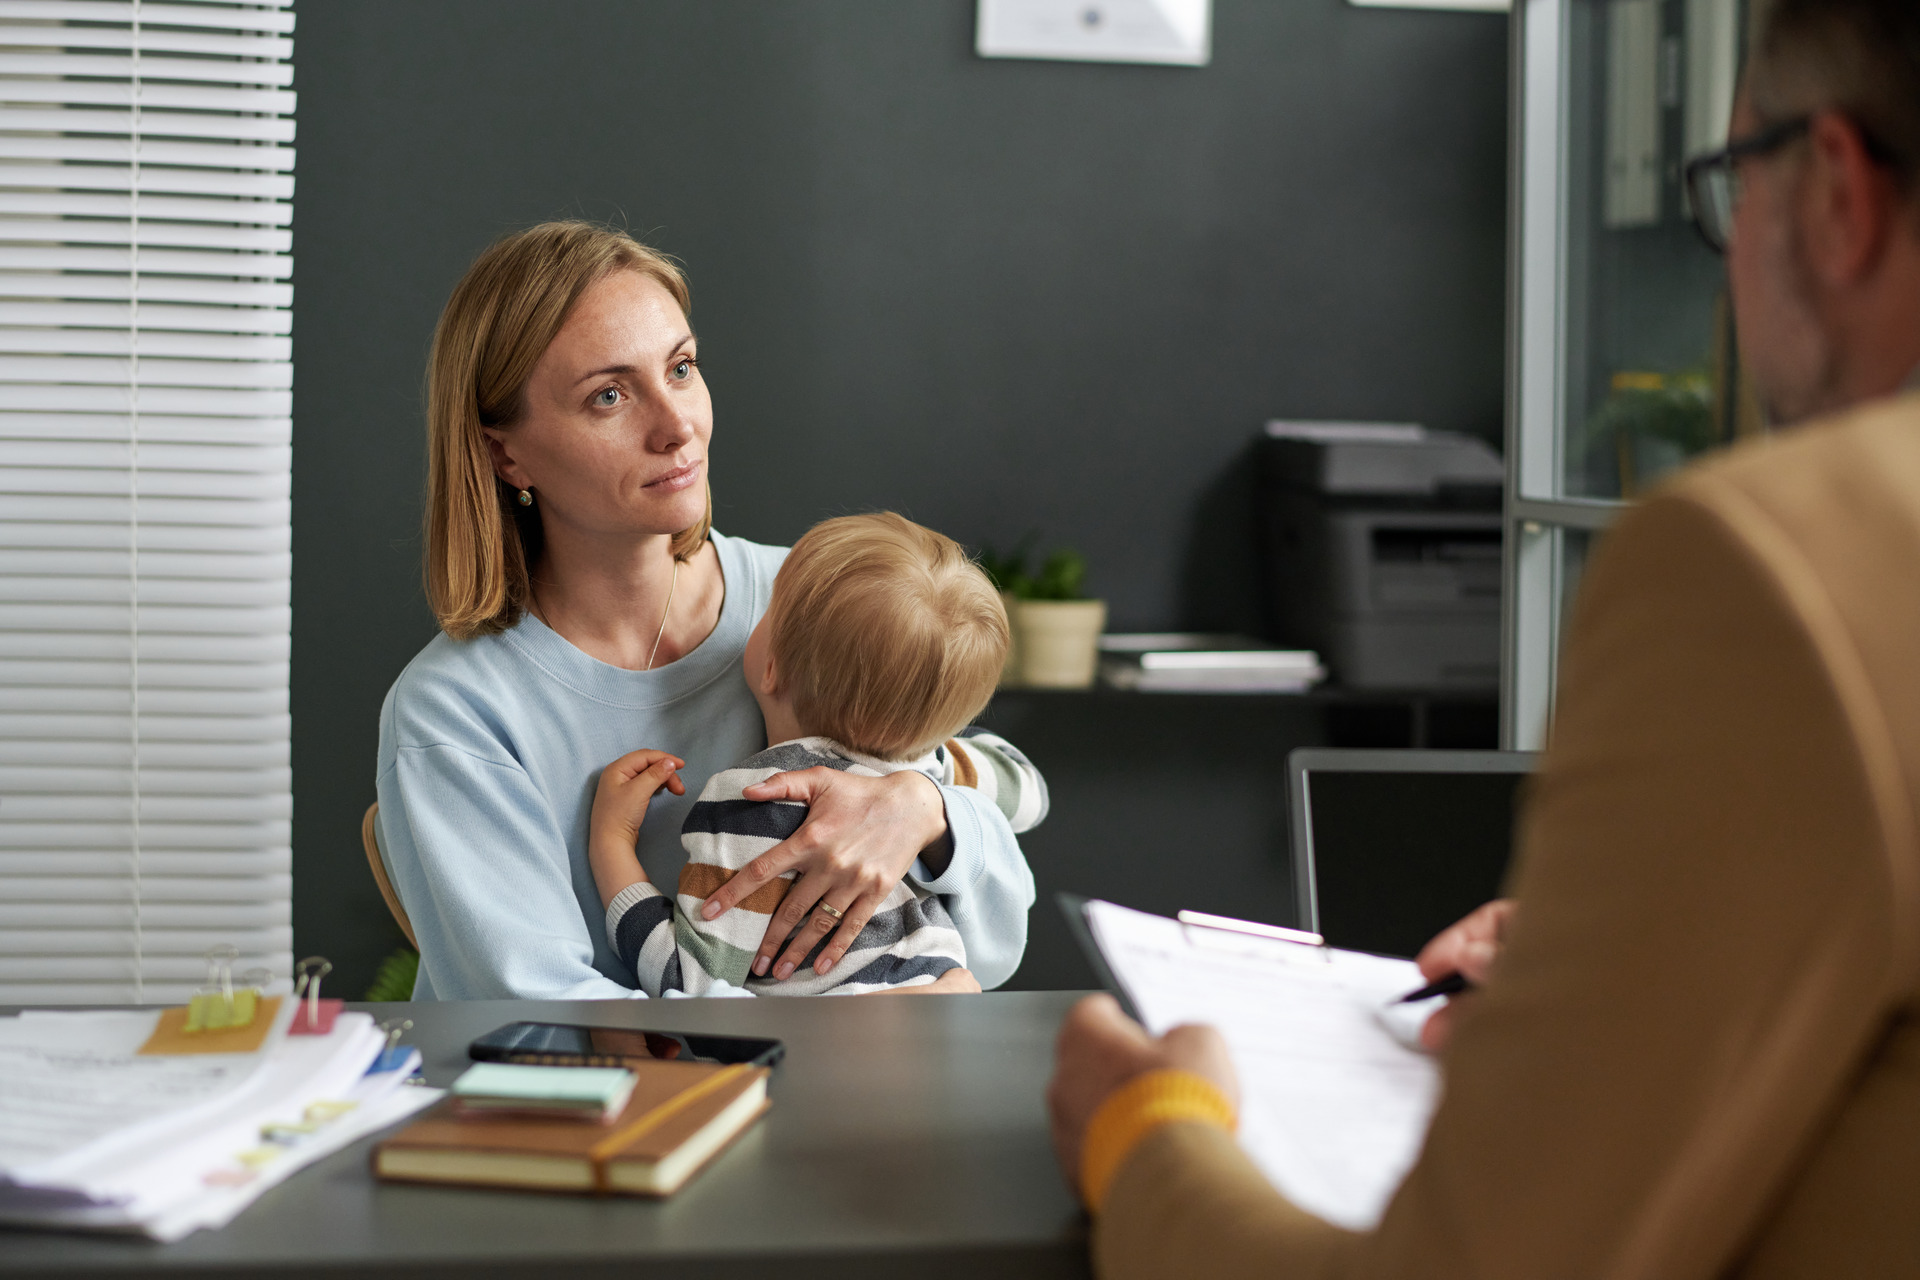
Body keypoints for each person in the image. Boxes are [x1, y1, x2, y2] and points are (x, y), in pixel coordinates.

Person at [1047, 0, 1920, 1274]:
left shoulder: (1780, 563)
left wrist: (1144, 1137)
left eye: (1733, 184)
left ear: (1836, 190)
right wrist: (1624, 968)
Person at [375, 222, 1047, 1000]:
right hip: (629, 1111)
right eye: (610, 395)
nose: (677, 425)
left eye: (683, 368)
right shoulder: (454, 714)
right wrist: (820, 1062)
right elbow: (543, 1009)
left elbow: (993, 940)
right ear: (504, 455)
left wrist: (925, 813)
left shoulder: (808, 598)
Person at [588, 511, 1047, 997]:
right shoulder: (935, 763)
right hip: (948, 1028)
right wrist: (931, 794)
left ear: (772, 668)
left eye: (769, 607)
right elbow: (1030, 794)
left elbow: (689, 983)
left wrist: (611, 847)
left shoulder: (753, 803)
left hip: (828, 1061)